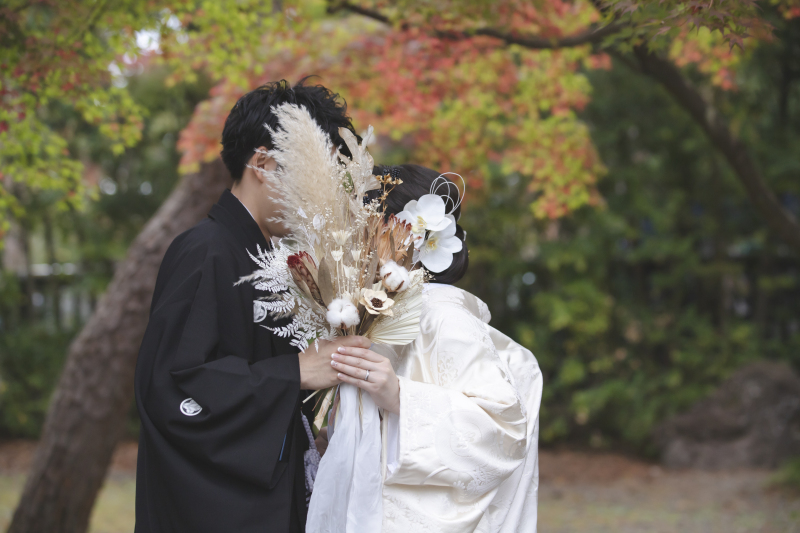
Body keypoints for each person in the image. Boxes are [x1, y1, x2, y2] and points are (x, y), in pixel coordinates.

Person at [133, 79, 371, 533]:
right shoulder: (204, 251)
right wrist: (295, 372)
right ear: (263, 163)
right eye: (313, 172)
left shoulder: (273, 261)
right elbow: (171, 386)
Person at [330, 164, 543, 532]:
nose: (357, 242)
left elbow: (504, 429)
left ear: (400, 233)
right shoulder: (386, 312)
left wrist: (400, 398)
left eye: (366, 228)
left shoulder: (444, 317)